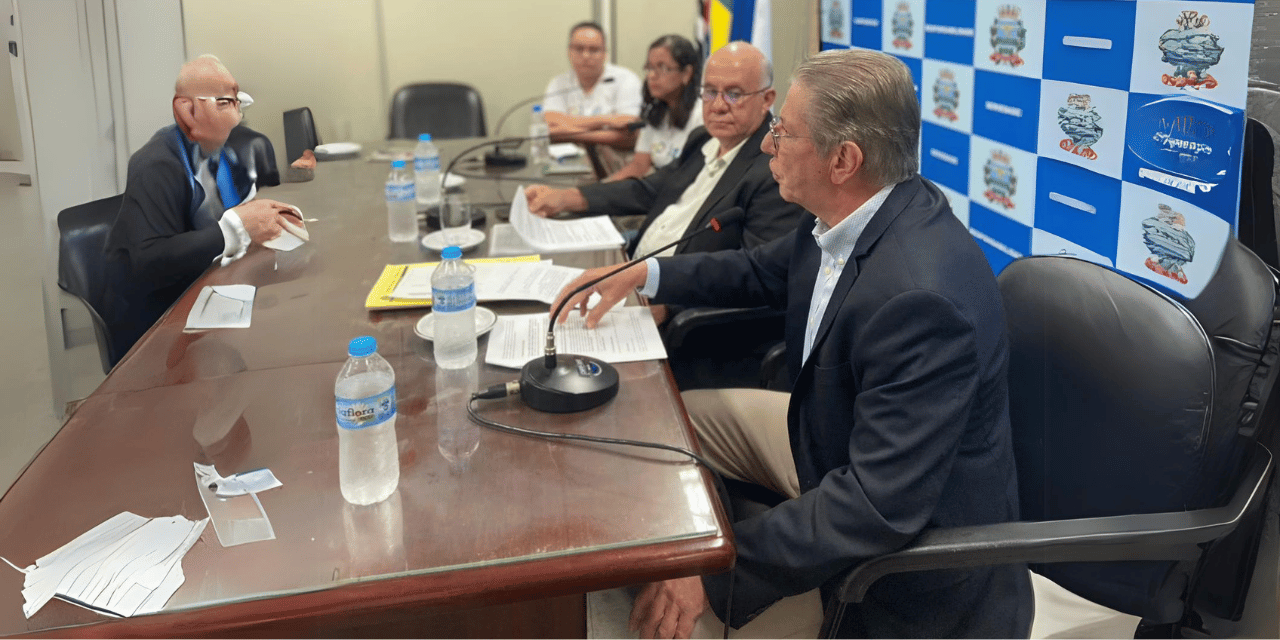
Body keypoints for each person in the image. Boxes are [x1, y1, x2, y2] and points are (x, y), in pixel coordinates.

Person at [552, 49, 1033, 639]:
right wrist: (642, 275)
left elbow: (875, 505)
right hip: (838, 442)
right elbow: (759, 270)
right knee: (664, 422)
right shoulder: (852, 212)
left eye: (782, 131)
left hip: (910, 572)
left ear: (843, 160)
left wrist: (714, 571)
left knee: (663, 627)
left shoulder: (920, 301)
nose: (766, 144)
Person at [526, 42, 803, 268]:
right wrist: (567, 197)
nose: (718, 106)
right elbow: (647, 190)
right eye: (709, 92)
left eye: (734, 94)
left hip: (674, 299)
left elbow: (754, 271)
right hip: (634, 267)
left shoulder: (775, 167)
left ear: (767, 99)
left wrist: (664, 295)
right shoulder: (703, 139)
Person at [104, 55, 304, 356]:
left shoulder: (218, 153)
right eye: (224, 104)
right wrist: (237, 228)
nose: (235, 116)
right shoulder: (156, 165)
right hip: (156, 325)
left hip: (209, 291)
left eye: (236, 104)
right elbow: (151, 261)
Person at [605, 34, 703, 182]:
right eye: (649, 67)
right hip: (659, 187)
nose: (651, 75)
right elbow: (639, 166)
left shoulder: (702, 115)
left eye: (662, 67)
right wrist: (600, 188)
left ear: (686, 73)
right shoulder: (656, 112)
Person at [543, 22, 644, 149]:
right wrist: (607, 120)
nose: (586, 56)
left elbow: (629, 133)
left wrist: (566, 132)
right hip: (570, 159)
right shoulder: (558, 83)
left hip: (616, 158)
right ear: (569, 52)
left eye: (594, 50)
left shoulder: (626, 79)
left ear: (605, 53)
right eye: (579, 49)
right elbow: (550, 126)